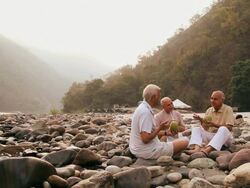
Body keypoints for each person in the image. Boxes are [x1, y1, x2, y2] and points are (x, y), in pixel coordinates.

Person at [129, 84, 189, 159]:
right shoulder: (145, 112)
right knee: (185, 141)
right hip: (147, 151)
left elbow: (148, 134)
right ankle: (171, 154)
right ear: (153, 97)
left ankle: (171, 152)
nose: (159, 98)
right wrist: (160, 128)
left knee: (173, 139)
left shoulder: (142, 108)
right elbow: (145, 139)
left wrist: (166, 132)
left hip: (137, 148)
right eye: (159, 96)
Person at [187, 90, 234, 156]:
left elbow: (229, 128)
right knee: (196, 128)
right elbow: (205, 127)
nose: (212, 101)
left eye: (215, 99)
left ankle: (207, 150)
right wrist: (201, 120)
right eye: (211, 98)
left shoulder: (228, 109)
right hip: (212, 136)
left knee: (223, 129)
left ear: (222, 100)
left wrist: (213, 124)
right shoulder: (209, 110)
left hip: (225, 138)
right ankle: (196, 148)